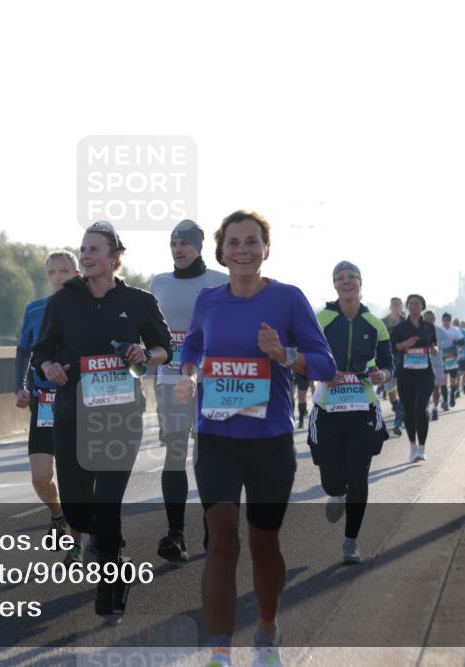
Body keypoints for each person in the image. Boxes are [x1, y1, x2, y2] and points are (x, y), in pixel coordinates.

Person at [175, 210, 336, 667]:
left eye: (251, 242)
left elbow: (324, 364)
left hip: (269, 441)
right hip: (217, 437)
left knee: (264, 544)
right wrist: (189, 375)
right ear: (221, 252)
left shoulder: (288, 299)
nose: (242, 251)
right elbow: (192, 348)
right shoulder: (209, 300)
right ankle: (220, 652)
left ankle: (267, 628)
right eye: (233, 243)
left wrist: (284, 354)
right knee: (221, 537)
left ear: (266, 250)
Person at [31, 220, 172, 620]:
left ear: (115, 257)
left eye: (95, 249)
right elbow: (41, 352)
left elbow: (164, 348)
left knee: (107, 504)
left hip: (120, 416)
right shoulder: (63, 301)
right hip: (72, 415)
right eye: (84, 249)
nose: (87, 255)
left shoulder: (139, 301)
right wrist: (50, 367)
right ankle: (110, 553)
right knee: (78, 511)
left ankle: (112, 577)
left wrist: (147, 355)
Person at [149, 219, 228, 563]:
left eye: (184, 243)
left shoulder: (219, 282)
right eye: (173, 244)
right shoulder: (159, 284)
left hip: (214, 381)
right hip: (170, 380)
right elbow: (150, 330)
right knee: (175, 453)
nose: (178, 249)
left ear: (199, 246)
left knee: (210, 457)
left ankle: (213, 530)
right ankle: (176, 534)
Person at [309, 262, 393, 565]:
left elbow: (387, 363)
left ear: (360, 282)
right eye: (340, 279)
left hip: (362, 407)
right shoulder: (321, 319)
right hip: (327, 408)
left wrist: (381, 376)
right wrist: (321, 370)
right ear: (334, 285)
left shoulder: (374, 323)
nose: (346, 283)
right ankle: (336, 492)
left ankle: (351, 541)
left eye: (351, 278)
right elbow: (305, 355)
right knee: (332, 478)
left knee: (359, 475)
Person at [14, 249, 82, 564]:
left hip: (79, 401)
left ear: (77, 274)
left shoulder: (87, 307)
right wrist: (21, 386)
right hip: (44, 402)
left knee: (75, 473)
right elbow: (23, 352)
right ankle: (58, 513)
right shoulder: (35, 309)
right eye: (53, 272)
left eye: (64, 271)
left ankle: (82, 540)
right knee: (41, 476)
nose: (58, 277)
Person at [390, 295, 439, 463]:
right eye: (410, 303)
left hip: (425, 374)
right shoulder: (400, 328)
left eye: (416, 303)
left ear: (422, 306)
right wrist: (405, 344)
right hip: (405, 374)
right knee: (409, 411)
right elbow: (393, 347)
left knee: (420, 409)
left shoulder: (429, 327)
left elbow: (433, 342)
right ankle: (412, 446)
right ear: (407, 306)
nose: (413, 306)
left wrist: (434, 348)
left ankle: (422, 448)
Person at [379, 297, 406, 436]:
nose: (396, 306)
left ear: (402, 307)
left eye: (398, 304)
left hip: (404, 360)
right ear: (390, 307)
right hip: (388, 360)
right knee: (391, 390)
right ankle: (397, 407)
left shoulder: (406, 322)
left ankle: (399, 420)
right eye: (394, 304)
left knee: (402, 390)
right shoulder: (383, 322)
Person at [439, 313, 464, 408]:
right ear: (442, 321)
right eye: (444, 320)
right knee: (443, 380)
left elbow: (462, 342)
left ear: (450, 320)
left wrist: (454, 341)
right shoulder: (439, 330)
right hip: (442, 358)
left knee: (453, 380)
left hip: (453, 356)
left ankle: (452, 395)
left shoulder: (455, 330)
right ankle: (445, 401)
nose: (445, 322)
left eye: (447, 320)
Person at [423, 311, 444, 421]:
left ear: (435, 319)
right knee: (426, 389)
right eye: (427, 318)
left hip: (437, 364)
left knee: (436, 388)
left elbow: (448, 343)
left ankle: (435, 409)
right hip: (423, 364)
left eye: (431, 318)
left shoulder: (440, 331)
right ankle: (426, 410)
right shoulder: (419, 330)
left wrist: (437, 348)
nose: (429, 320)